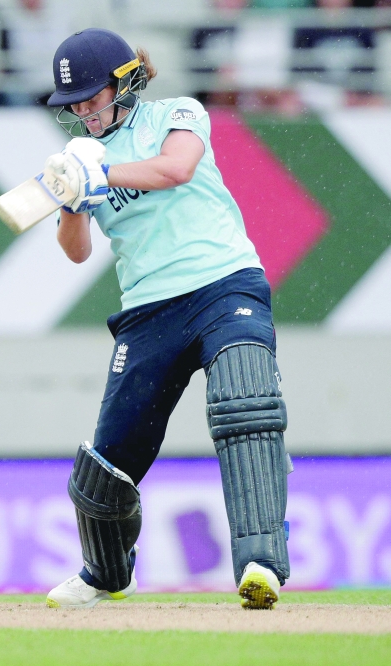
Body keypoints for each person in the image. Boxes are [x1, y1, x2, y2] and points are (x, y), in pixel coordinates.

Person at [40, 29, 291, 610]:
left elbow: (176, 169)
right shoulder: (80, 159)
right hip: (148, 308)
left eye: (92, 98)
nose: (83, 112)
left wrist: (99, 177)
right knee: (108, 462)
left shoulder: (177, 113)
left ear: (125, 83)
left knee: (245, 404)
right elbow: (75, 251)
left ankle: (260, 563)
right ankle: (104, 574)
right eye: (73, 104)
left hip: (224, 282)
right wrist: (73, 198)